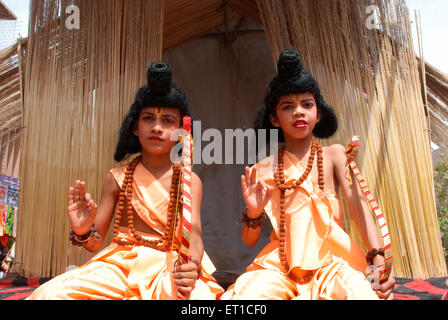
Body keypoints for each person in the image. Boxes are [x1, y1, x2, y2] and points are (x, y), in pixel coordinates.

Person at [28, 62, 224, 300]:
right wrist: (82, 230)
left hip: (170, 265)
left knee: (198, 299)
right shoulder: (117, 177)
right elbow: (94, 242)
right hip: (119, 265)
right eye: (148, 118)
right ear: (134, 127)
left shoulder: (190, 180)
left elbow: (194, 234)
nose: (157, 128)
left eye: (168, 121)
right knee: (53, 294)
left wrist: (191, 266)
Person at [221, 49, 395, 300]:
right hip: (279, 268)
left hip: (333, 264)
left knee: (364, 295)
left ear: (318, 113)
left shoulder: (334, 155)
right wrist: (253, 213)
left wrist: (378, 263)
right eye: (287, 106)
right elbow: (249, 241)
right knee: (243, 298)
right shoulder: (263, 169)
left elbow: (359, 208)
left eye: (307, 104)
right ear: (275, 118)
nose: (299, 112)